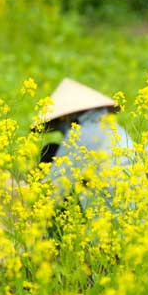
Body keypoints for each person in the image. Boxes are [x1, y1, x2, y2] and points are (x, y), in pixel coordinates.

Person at [39, 78, 133, 208]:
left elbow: (52, 191)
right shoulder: (118, 130)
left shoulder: (81, 135)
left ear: (66, 116)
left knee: (51, 153)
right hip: (136, 215)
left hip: (106, 219)